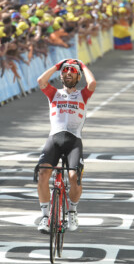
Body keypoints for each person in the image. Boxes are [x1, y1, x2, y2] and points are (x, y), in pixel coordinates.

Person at [36, 58, 96, 234]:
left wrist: (83, 65)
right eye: (65, 71)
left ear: (78, 77)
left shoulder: (82, 95)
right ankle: (45, 217)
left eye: (72, 71)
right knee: (42, 174)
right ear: (61, 75)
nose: (68, 73)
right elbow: (41, 81)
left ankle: (72, 211)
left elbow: (92, 83)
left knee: (73, 176)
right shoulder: (54, 93)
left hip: (73, 142)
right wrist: (57, 65)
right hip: (54, 139)